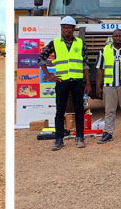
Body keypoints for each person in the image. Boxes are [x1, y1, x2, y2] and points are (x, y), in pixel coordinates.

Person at [42, 16, 88, 150]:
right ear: (61, 28)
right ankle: (59, 139)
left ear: (73, 29)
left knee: (79, 110)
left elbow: (85, 63)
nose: (66, 29)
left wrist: (88, 83)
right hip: (62, 82)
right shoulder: (54, 43)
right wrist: (48, 75)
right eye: (64, 27)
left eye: (69, 27)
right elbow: (41, 58)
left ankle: (80, 138)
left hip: (77, 82)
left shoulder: (80, 43)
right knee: (60, 111)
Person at [97, 29, 121, 144]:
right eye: (116, 36)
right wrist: (98, 87)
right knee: (109, 110)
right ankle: (108, 133)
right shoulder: (104, 51)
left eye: (120, 36)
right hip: (109, 86)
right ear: (112, 37)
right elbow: (100, 69)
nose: (118, 38)